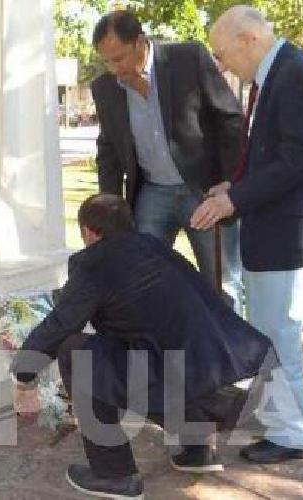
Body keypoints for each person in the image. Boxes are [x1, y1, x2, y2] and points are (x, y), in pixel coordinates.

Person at [10, 193, 273, 498]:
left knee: (76, 352)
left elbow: (60, 325)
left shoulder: (94, 262)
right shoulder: (154, 246)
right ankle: (196, 444)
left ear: (88, 231)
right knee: (140, 357)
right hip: (218, 361)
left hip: (173, 371)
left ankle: (114, 474)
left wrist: (24, 378)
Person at [190, 5, 303, 464]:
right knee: (271, 330)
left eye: (224, 54)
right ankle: (282, 421)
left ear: (249, 40)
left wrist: (235, 201)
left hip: (292, 233)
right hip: (279, 228)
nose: (223, 64)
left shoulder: (296, 73)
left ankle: (292, 434)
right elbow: (266, 150)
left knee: (278, 332)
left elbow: (297, 159)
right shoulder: (275, 73)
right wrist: (234, 185)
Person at [90, 10, 246, 312]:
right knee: (142, 280)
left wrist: (229, 183)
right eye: (105, 61)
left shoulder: (187, 58)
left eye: (119, 58)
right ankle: (160, 354)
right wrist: (109, 206)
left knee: (222, 283)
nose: (113, 69)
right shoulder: (105, 88)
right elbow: (109, 148)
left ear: (139, 42)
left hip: (203, 192)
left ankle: (230, 356)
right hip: (152, 194)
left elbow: (231, 119)